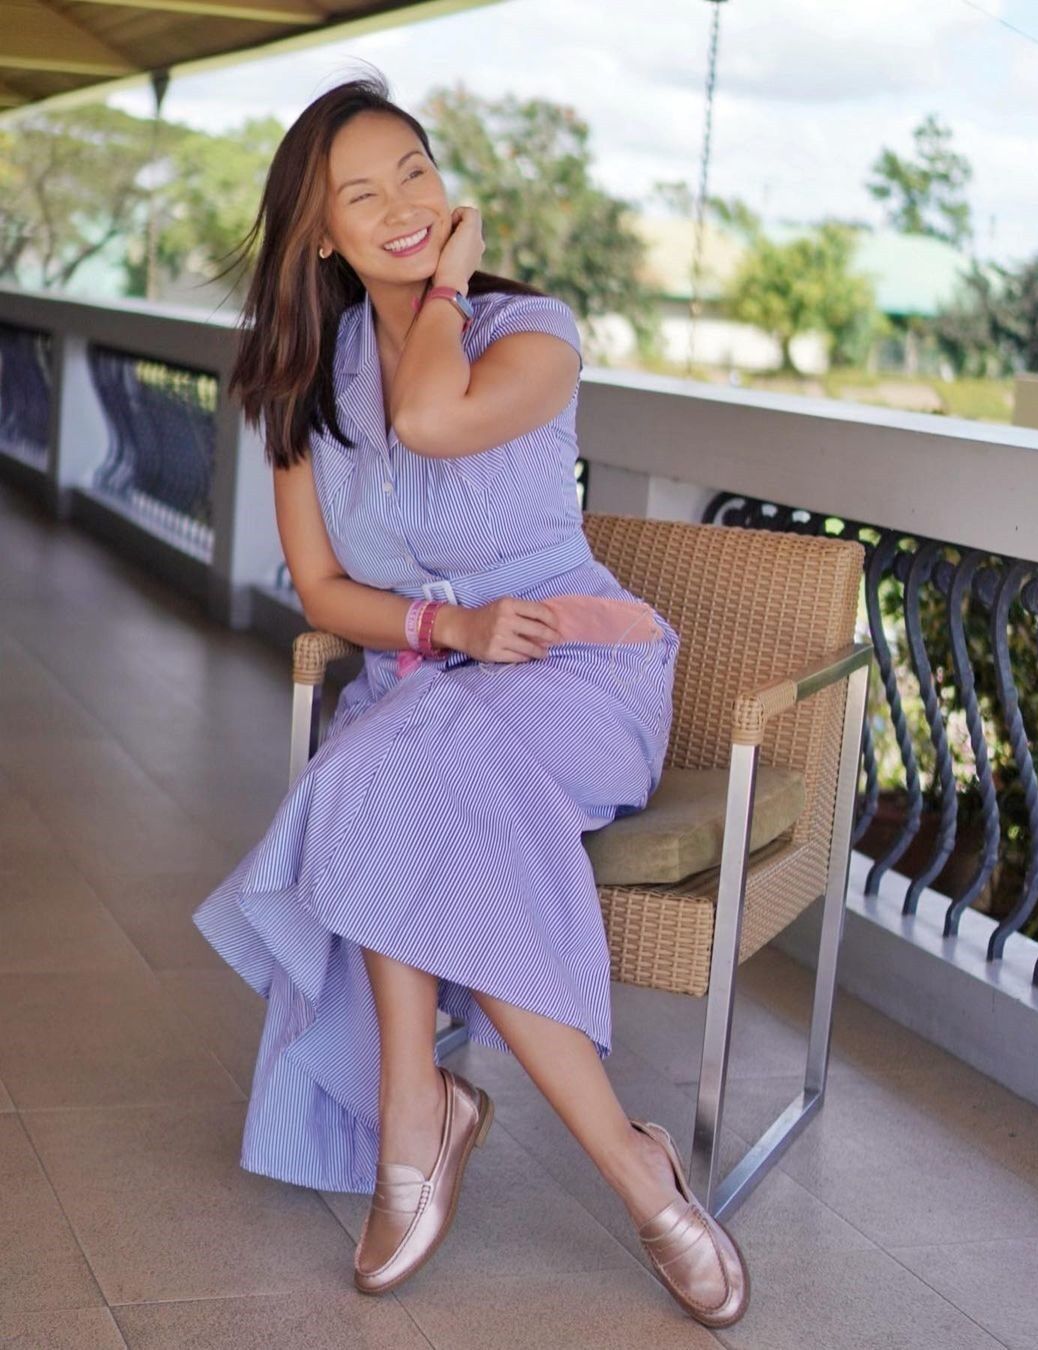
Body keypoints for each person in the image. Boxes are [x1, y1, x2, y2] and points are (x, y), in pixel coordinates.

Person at [192, 69, 749, 1330]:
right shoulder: (302, 385)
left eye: (418, 175)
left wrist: (445, 288)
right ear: (317, 231)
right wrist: (449, 626)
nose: (400, 204)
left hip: (577, 673)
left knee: (390, 769)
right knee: (402, 758)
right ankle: (629, 1173)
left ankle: (431, 1126)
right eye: (361, 192)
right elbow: (324, 587)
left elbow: (435, 420)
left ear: (450, 196)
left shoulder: (528, 330)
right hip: (425, 671)